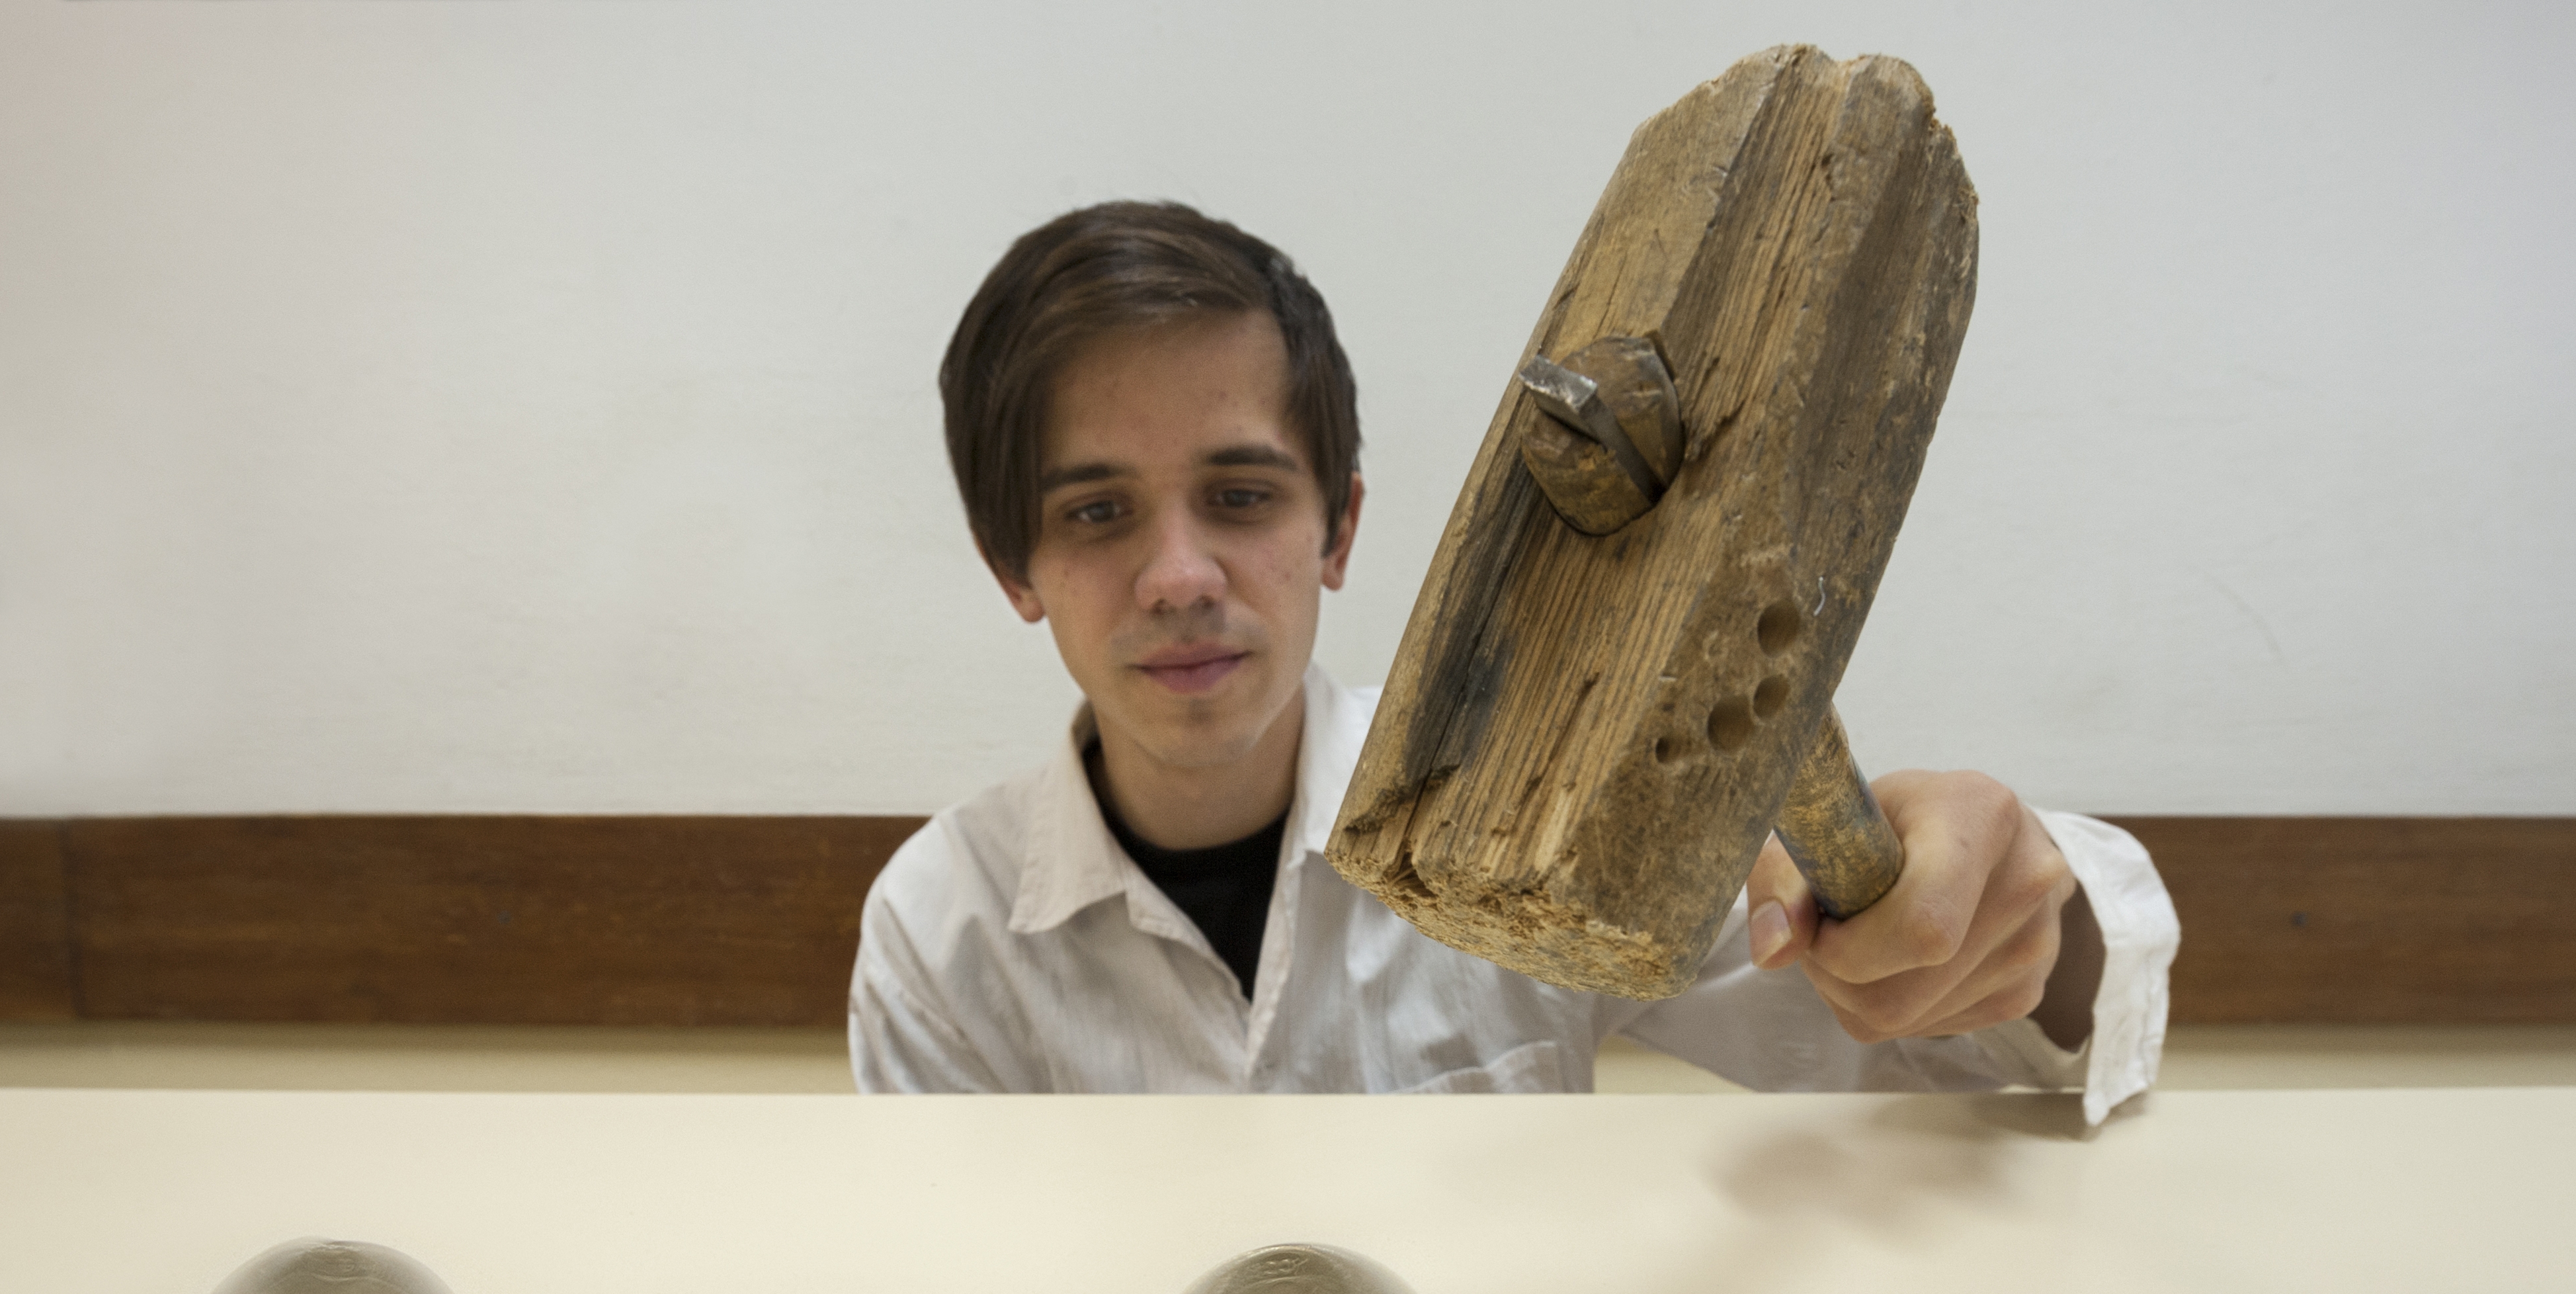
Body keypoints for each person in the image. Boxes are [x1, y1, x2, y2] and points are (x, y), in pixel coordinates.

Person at [850, 201, 2178, 1118]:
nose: (1181, 576)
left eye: (1242, 496)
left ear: (1338, 528)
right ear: (1011, 566)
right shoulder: (937, 928)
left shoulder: (1531, 803)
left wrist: (2016, 924)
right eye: (1095, 514)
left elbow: (1977, 1060)